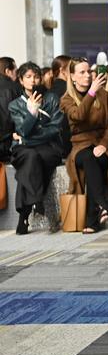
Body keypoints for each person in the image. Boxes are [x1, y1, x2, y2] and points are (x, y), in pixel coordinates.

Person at [60, 57, 108, 233]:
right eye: (82, 72)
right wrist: (91, 93)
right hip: (80, 145)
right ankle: (103, 204)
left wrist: (104, 144)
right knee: (87, 157)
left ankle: (94, 219)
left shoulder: (104, 95)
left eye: (89, 71)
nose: (87, 76)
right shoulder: (67, 99)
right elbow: (78, 116)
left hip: (103, 144)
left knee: (93, 159)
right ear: (72, 76)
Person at [9, 62, 63, 234]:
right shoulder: (15, 105)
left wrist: (28, 137)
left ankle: (23, 216)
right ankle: (36, 199)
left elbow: (55, 128)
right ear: (21, 80)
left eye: (36, 76)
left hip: (47, 147)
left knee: (31, 161)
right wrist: (32, 113)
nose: (33, 80)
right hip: (25, 150)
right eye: (28, 77)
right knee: (31, 158)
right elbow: (23, 129)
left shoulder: (52, 98)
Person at [0, 57, 20, 162]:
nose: (17, 75)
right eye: (15, 71)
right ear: (8, 71)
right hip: (9, 143)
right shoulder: (15, 88)